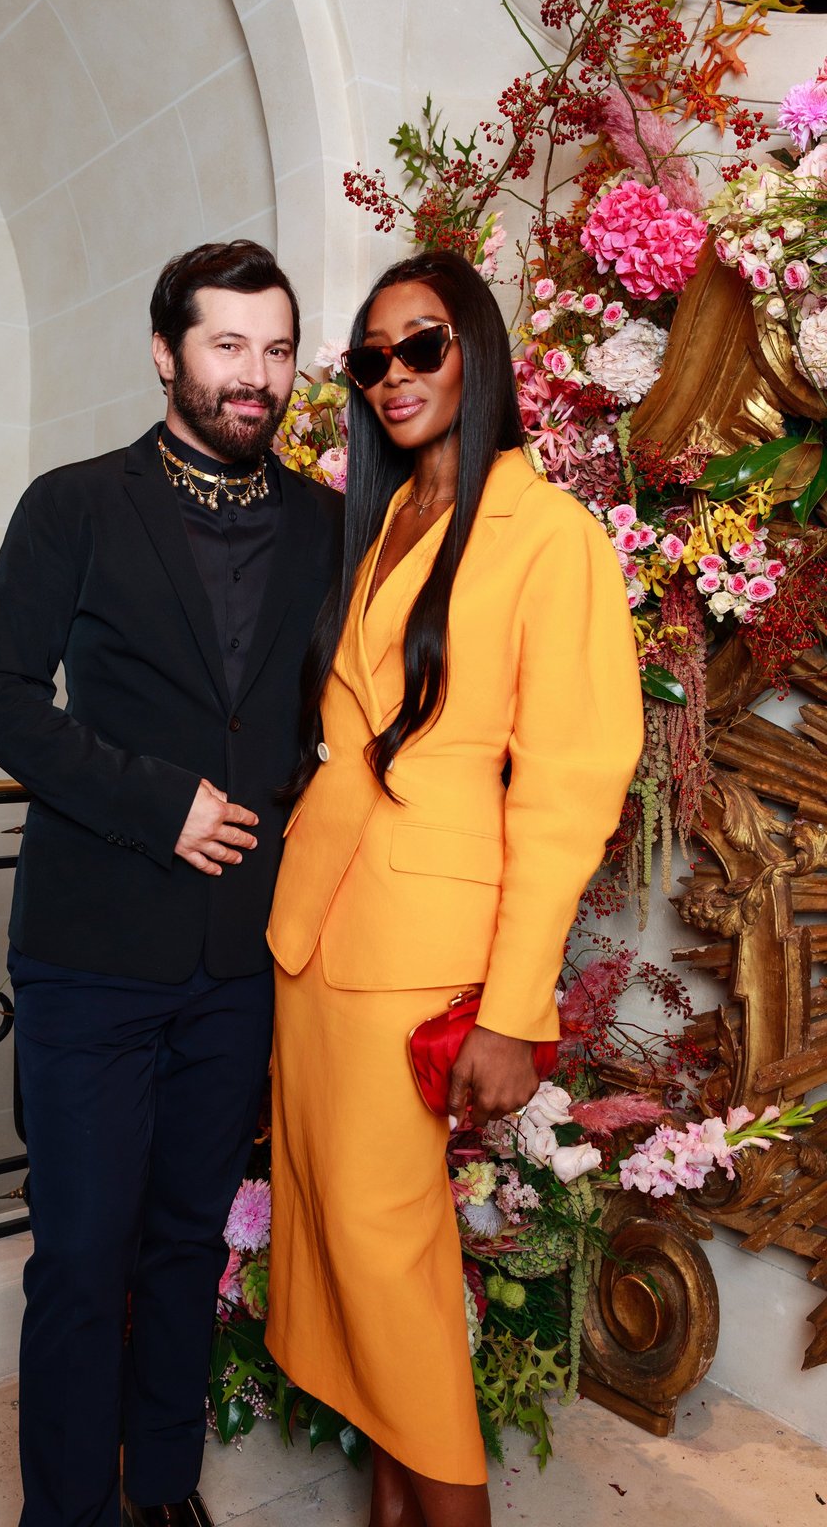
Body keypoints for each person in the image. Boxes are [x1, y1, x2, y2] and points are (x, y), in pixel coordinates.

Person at [0, 240, 339, 1527]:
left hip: (238, 960)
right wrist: (152, 799)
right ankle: (65, 1510)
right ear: (166, 353)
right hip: (91, 948)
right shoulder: (72, 503)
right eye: (228, 346)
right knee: (79, 1256)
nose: (257, 376)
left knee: (187, 1245)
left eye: (278, 349)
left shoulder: (324, 523)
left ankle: (164, 1491)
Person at [265, 251, 643, 1527]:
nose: (391, 378)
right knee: (336, 1242)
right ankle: (386, 1509)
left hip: (422, 949)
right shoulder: (381, 523)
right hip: (315, 933)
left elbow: (569, 791)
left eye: (419, 347)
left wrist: (511, 1008)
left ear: (477, 353)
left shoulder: (551, 536)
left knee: (385, 1261)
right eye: (369, 359)